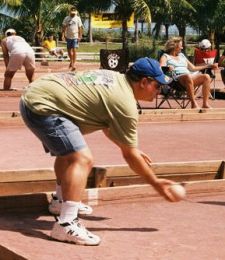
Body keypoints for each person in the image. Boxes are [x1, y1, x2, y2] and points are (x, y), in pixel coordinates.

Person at [19, 57, 180, 246]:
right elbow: (129, 156)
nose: (159, 91)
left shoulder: (116, 78)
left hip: (38, 95)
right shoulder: (125, 104)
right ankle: (66, 224)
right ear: (144, 82)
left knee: (68, 153)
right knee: (81, 158)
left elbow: (107, 125)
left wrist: (127, 146)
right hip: (42, 106)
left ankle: (60, 202)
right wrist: (156, 183)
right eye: (157, 85)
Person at [159, 37, 218, 109]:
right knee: (187, 76)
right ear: (175, 46)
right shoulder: (166, 56)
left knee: (206, 77)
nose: (182, 47)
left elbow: (193, 68)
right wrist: (168, 68)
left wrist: (209, 66)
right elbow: (160, 68)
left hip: (189, 78)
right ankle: (193, 104)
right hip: (175, 80)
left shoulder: (181, 55)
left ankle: (205, 104)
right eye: (181, 45)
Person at [62, 6, 83, 71]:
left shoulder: (78, 18)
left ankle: (73, 64)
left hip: (75, 37)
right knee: (69, 51)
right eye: (72, 13)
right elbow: (64, 27)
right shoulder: (66, 18)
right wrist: (63, 35)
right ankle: (71, 61)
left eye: (74, 13)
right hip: (68, 36)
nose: (73, 14)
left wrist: (80, 35)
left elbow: (80, 27)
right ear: (70, 12)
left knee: (74, 50)